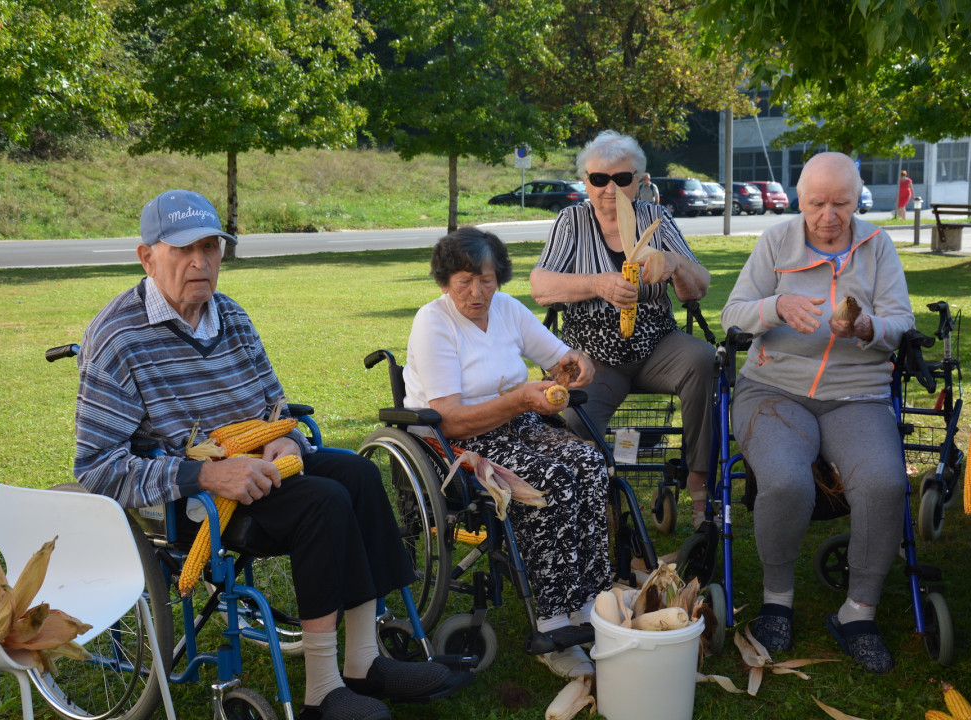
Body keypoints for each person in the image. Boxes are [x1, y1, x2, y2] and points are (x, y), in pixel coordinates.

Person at [74, 189, 455, 720]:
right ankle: (323, 689)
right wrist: (206, 474)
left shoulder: (229, 314)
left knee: (356, 473)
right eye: (183, 249)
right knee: (322, 500)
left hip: (261, 468)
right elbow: (96, 469)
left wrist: (287, 437)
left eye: (210, 247)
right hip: (195, 500)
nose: (200, 261)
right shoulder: (117, 338)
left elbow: (275, 404)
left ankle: (365, 661)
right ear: (147, 256)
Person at [720, 152, 915, 674]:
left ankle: (858, 613)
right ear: (798, 198)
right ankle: (777, 600)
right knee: (784, 482)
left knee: (883, 483)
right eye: (816, 203)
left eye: (841, 203)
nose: (828, 215)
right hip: (773, 390)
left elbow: (902, 320)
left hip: (857, 393)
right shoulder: (775, 242)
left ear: (857, 200)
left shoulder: (877, 246)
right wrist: (775, 308)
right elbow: (731, 315)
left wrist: (869, 326)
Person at [403, 227, 609, 679]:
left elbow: (559, 359)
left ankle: (591, 601)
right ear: (444, 282)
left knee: (591, 463)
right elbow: (451, 417)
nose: (477, 292)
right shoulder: (433, 322)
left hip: (521, 424)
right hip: (461, 442)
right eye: (464, 281)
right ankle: (553, 622)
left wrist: (576, 363)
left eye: (487, 280)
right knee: (549, 480)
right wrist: (519, 399)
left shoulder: (509, 310)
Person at [529, 130, 715, 530]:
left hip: (655, 345)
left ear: (639, 181)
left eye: (621, 179)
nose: (610, 189)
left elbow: (700, 283)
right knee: (575, 416)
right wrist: (596, 284)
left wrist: (675, 265)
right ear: (586, 182)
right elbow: (540, 287)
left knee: (703, 361)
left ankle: (699, 481)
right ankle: (603, 501)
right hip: (595, 356)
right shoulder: (572, 221)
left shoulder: (656, 219)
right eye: (599, 179)